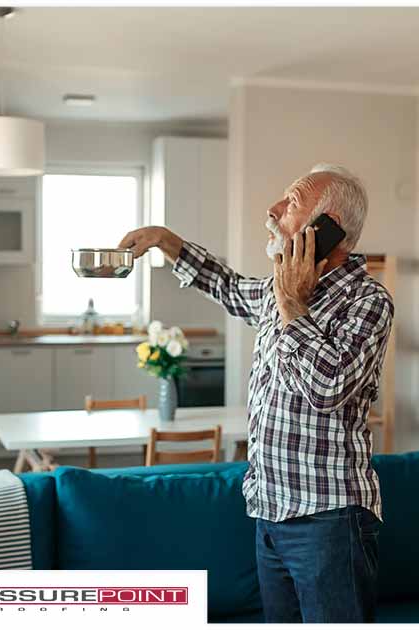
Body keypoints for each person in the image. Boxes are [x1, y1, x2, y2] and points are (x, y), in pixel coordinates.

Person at [118, 163, 393, 623]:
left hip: (329, 519)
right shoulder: (274, 290)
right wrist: (168, 242)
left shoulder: (368, 302)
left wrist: (293, 305)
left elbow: (327, 389)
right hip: (270, 512)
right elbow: (226, 286)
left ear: (325, 231)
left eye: (290, 203)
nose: (273, 210)